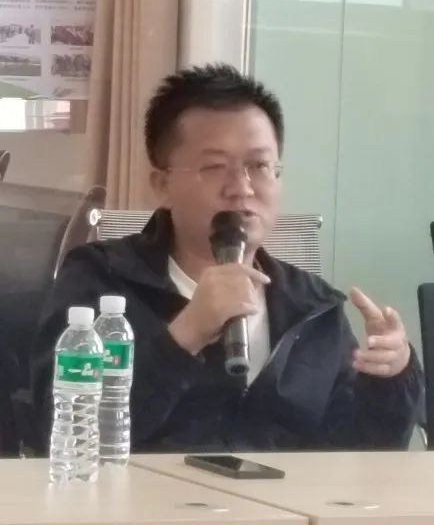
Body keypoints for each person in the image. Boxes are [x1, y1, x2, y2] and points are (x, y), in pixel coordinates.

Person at [32, 63, 423, 453]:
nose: (241, 188)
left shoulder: (314, 307)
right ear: (162, 184)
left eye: (259, 166)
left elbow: (357, 454)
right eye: (215, 167)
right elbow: (62, 428)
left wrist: (391, 377)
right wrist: (186, 333)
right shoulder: (100, 279)